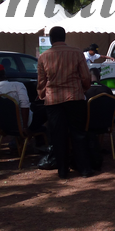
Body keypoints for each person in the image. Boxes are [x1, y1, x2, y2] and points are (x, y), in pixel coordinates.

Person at [37, 26, 92, 179]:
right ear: (65, 37)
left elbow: (41, 81)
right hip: (75, 98)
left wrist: (42, 95)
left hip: (53, 100)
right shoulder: (77, 53)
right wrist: (84, 89)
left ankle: (63, 170)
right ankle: (85, 168)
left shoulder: (44, 56)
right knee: (78, 133)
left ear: (50, 39)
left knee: (58, 136)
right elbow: (86, 77)